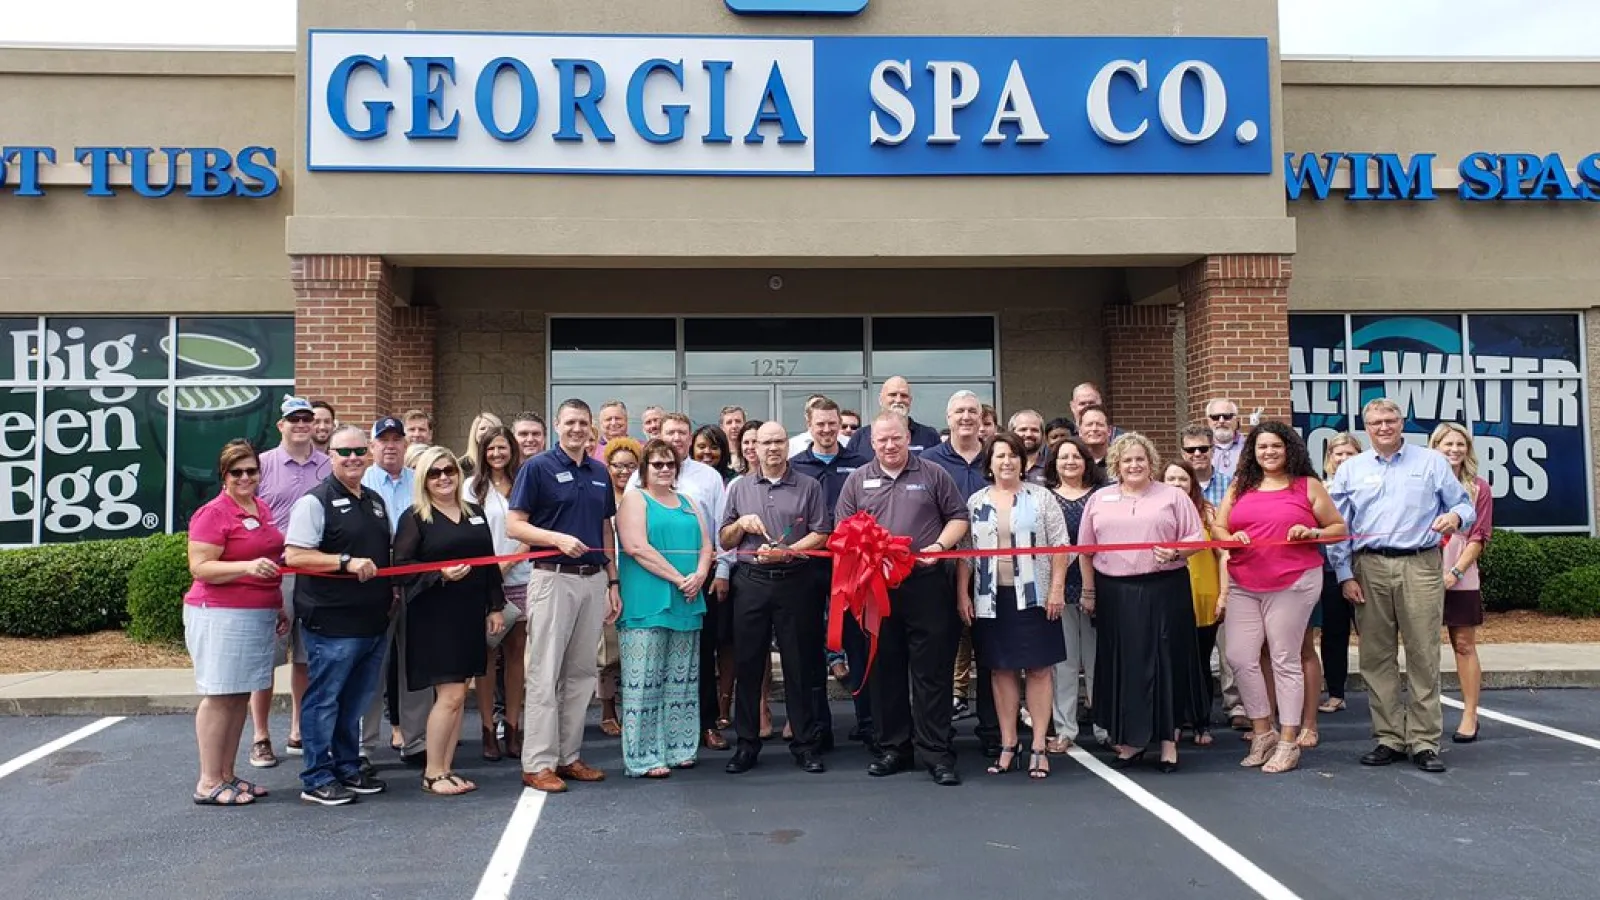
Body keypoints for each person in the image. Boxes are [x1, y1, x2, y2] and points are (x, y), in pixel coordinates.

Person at [1328, 399, 1474, 773]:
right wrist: (1344, 574)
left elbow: (1465, 506)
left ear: (1401, 422)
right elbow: (1338, 527)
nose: (1383, 427)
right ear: (1366, 427)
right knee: (1376, 656)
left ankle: (1424, 741)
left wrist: (1455, 515)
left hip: (1420, 564)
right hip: (1369, 566)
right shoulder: (1352, 470)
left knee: (1423, 653)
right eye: (1375, 422)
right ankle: (1389, 737)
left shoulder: (1431, 462)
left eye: (1390, 420)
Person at [837, 410, 970, 786]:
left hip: (926, 585)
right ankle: (894, 747)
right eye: (882, 440)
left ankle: (936, 752)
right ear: (872, 443)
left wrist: (940, 545)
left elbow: (958, 516)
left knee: (931, 673)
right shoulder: (858, 481)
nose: (890, 445)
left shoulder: (932, 473)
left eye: (896, 438)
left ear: (907, 436)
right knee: (885, 671)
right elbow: (843, 529)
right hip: (876, 590)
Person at [1216, 421, 1348, 774]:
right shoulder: (1240, 486)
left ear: (1289, 448)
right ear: (1252, 452)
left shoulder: (1308, 486)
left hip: (1293, 581)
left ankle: (1289, 741)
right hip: (1245, 580)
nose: (1269, 452)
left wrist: (1313, 531)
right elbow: (1218, 526)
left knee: (1284, 658)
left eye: (1276, 446)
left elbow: (1339, 529)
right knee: (1240, 656)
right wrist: (1232, 535)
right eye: (1262, 447)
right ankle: (1264, 732)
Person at [507, 399, 623, 793]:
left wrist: (612, 581)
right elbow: (514, 526)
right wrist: (555, 538)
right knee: (544, 674)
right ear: (558, 425)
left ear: (591, 429)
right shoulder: (537, 468)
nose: (577, 429)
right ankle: (537, 762)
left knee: (581, 674)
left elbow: (605, 527)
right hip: (553, 579)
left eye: (583, 424)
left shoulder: (599, 471)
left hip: (592, 581)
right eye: (570, 422)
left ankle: (568, 756)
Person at [1077, 433, 1208, 773]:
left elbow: (1198, 539)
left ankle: (1167, 742)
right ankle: (1129, 741)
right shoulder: (1100, 498)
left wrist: (1177, 551)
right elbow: (1086, 550)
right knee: (1124, 665)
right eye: (1127, 460)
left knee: (1164, 663)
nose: (1134, 465)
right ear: (1116, 465)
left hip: (1164, 589)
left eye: (1140, 459)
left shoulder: (1174, 496)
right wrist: (1089, 592)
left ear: (1151, 463)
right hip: (1115, 593)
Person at [283, 425, 393, 806]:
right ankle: (316, 776)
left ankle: (347, 765)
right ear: (329, 456)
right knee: (324, 699)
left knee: (354, 700)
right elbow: (295, 556)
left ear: (369, 454)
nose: (352, 458)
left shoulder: (376, 501)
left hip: (372, 621)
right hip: (331, 622)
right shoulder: (314, 502)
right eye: (343, 452)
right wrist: (344, 562)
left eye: (359, 451)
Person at [956, 433, 1071, 780]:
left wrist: (1057, 589)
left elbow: (1061, 547)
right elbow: (964, 554)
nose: (1007, 462)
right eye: (1000, 456)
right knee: (1000, 670)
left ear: (1023, 461)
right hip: (992, 600)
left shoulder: (1041, 498)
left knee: (1038, 670)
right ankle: (1009, 744)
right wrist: (962, 594)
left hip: (1035, 597)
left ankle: (1037, 744)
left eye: (1013, 456)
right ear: (988, 463)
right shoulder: (975, 501)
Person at [392, 446, 506, 795]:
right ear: (423, 479)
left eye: (449, 471)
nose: (443, 477)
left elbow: (488, 563)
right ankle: (432, 773)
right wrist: (439, 574)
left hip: (469, 612)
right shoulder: (415, 517)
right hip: (433, 615)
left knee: (458, 694)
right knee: (452, 694)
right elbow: (402, 567)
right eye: (434, 473)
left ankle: (445, 767)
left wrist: (495, 606)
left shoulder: (474, 513)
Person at [721, 422, 833, 774]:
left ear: (788, 445)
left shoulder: (809, 486)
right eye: (766, 442)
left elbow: (822, 532)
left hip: (795, 581)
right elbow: (724, 539)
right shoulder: (738, 488)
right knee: (749, 664)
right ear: (753, 448)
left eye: (779, 442)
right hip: (751, 582)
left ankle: (804, 743)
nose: (773, 448)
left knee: (800, 666)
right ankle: (747, 744)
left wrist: (788, 551)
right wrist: (741, 526)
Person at [184, 440, 289, 806]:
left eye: (251, 471)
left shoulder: (260, 507)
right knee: (219, 695)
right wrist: (245, 566)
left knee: (239, 695)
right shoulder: (213, 513)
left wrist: (276, 605)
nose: (246, 477)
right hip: (219, 612)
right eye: (237, 472)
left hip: (257, 611)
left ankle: (227, 774)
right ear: (223, 476)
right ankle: (208, 780)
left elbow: (270, 561)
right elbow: (200, 567)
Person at [627, 413, 735, 749]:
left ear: (690, 438)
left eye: (682, 433)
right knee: (653, 664)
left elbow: (718, 530)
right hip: (653, 583)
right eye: (670, 432)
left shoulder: (708, 478)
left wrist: (718, 572)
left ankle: (702, 727)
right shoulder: (636, 483)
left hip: (696, 584)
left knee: (696, 661)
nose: (676, 439)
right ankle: (652, 737)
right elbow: (633, 539)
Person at [616, 439, 712, 777]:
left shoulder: (688, 502)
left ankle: (679, 746)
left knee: (681, 679)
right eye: (657, 464)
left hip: (687, 598)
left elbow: (706, 544)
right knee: (645, 681)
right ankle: (643, 756)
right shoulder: (634, 499)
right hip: (649, 599)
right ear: (645, 468)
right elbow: (636, 546)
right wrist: (677, 578)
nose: (665, 469)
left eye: (670, 463)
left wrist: (700, 574)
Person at [790, 398, 875, 745]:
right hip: (809, 567)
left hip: (853, 568)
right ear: (809, 425)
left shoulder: (861, 465)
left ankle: (868, 722)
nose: (827, 430)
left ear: (841, 424)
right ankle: (817, 726)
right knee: (809, 644)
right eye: (820, 423)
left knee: (859, 642)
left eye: (832, 423)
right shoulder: (796, 467)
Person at [253, 395, 331, 768]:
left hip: (315, 573)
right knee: (266, 659)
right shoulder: (263, 465)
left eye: (306, 418)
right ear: (281, 425)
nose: (301, 424)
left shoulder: (329, 465)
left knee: (305, 657)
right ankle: (260, 735)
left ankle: (298, 729)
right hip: (275, 573)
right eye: (293, 419)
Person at [921, 391, 997, 756]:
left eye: (973, 411)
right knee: (941, 655)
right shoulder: (929, 461)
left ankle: (992, 731)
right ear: (948, 417)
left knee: (992, 654)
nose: (966, 417)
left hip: (994, 572)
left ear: (982, 418)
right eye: (959, 412)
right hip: (943, 571)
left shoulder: (997, 457)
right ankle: (939, 734)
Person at [359, 417, 430, 768]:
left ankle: (416, 741)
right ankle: (364, 744)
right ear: (372, 446)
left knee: (415, 664)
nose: (390, 445)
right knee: (372, 667)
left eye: (396, 439)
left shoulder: (422, 482)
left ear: (406, 445)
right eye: (382, 439)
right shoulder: (361, 482)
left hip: (416, 585)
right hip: (374, 587)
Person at [466, 425, 530, 762]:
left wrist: (506, 565)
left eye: (502, 448)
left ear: (512, 450)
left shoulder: (525, 483)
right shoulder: (470, 488)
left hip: (521, 578)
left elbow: (532, 531)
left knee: (516, 654)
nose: (496, 454)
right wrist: (492, 571)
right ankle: (488, 730)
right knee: (487, 657)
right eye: (490, 449)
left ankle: (514, 727)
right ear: (482, 452)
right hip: (484, 584)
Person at [1428, 422, 1494, 743]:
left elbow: (1479, 536)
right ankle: (1423, 718)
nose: (1454, 450)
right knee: (1421, 649)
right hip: (1422, 574)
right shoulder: (1423, 485)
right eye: (1447, 444)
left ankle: (1470, 714)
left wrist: (1453, 573)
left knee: (1464, 645)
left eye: (1460, 444)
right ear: (1435, 447)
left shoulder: (1478, 488)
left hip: (1461, 575)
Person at [1045, 436, 1108, 753]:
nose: (1070, 462)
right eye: (1062, 457)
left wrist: (1092, 588)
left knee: (1100, 662)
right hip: (1058, 588)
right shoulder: (1045, 498)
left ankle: (1104, 726)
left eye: (1076, 456)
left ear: (1087, 461)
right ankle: (1065, 728)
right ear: (1053, 464)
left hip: (1101, 587)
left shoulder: (1102, 496)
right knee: (1064, 664)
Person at [1162, 459, 1227, 748]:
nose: (1177, 485)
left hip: (1203, 595)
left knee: (1201, 664)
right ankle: (1175, 721)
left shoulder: (1207, 513)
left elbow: (1223, 555)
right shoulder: (1158, 513)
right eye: (1171, 479)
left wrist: (1223, 595)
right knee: (1173, 664)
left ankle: (1201, 721)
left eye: (1182, 479)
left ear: (1192, 483)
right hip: (1168, 597)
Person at [598, 438, 644, 738]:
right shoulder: (601, 496)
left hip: (638, 577)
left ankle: (632, 707)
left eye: (630, 465)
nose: (624, 471)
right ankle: (606, 708)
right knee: (608, 649)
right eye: (618, 465)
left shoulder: (641, 496)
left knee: (634, 648)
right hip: (606, 576)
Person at [1316, 433, 1362, 713]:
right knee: (1334, 633)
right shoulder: (1321, 489)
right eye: (1338, 454)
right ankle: (1336, 693)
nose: (1344, 459)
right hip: (1329, 571)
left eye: (1350, 454)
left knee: (1372, 633)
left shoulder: (1370, 486)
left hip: (1365, 567)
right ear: (1329, 458)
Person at [847, 376, 942, 454]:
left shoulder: (929, 436)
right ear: (880, 400)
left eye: (904, 395)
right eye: (892, 395)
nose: (898, 400)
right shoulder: (860, 437)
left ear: (910, 400)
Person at [1006, 409, 1049, 484]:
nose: (1029, 434)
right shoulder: (1003, 465)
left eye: (1034, 430)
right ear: (1011, 433)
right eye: (1023, 429)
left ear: (1042, 435)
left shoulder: (1052, 467)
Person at [1207, 398, 1246, 477]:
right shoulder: (1201, 449)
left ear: (1236, 419)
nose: (1221, 421)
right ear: (1208, 421)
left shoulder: (1249, 446)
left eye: (1227, 416)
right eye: (1215, 417)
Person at [460, 411, 505, 478]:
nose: (486, 431)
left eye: (491, 429)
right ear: (475, 433)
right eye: (482, 428)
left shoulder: (506, 463)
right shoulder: (461, 465)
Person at [1076, 405, 1112, 481]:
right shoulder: (1073, 462)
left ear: (1109, 430)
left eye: (1100, 424)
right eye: (1089, 425)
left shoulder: (1119, 461)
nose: (1094, 429)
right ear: (1080, 431)